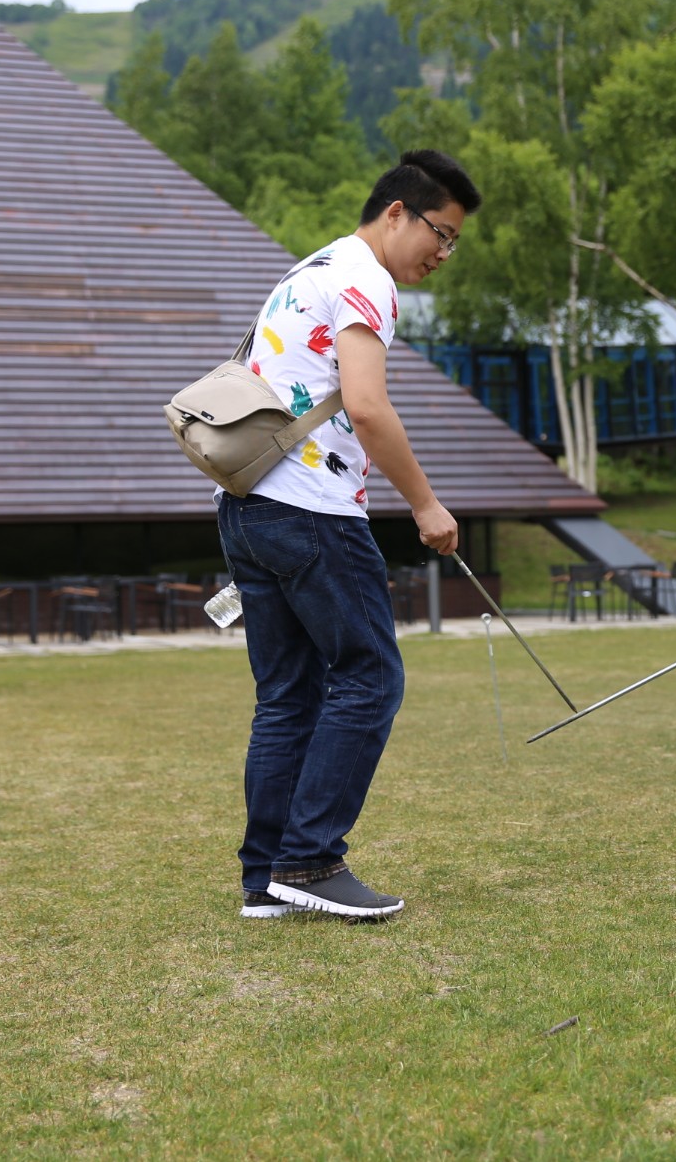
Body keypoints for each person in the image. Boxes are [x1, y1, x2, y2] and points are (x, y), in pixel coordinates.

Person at [215, 149, 479, 921]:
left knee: (288, 696)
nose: (442, 251)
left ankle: (265, 875)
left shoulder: (308, 270)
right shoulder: (367, 279)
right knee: (370, 676)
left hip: (246, 507)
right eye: (441, 230)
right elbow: (366, 407)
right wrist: (427, 505)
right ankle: (311, 859)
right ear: (395, 211)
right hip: (313, 511)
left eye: (455, 240)